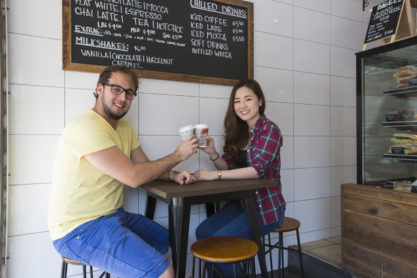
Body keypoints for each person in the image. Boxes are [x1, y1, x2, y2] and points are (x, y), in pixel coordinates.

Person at [48, 65, 198, 278]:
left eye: (129, 93)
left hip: (113, 216)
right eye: (116, 89)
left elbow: (144, 167)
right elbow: (133, 177)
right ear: (100, 89)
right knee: (163, 271)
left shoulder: (125, 128)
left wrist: (173, 175)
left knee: (168, 241)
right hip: (79, 229)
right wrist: (177, 156)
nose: (123, 97)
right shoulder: (85, 126)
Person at [194, 80, 286, 277]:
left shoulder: (270, 130)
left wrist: (212, 175)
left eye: (248, 99)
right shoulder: (238, 133)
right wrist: (212, 154)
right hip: (242, 203)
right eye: (237, 101)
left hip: (265, 209)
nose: (242, 106)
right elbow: (229, 168)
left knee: (220, 241)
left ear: (260, 101)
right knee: (203, 233)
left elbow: (256, 170)